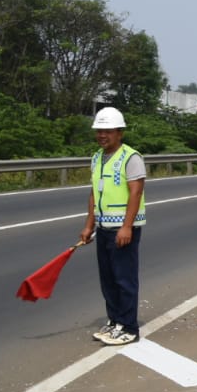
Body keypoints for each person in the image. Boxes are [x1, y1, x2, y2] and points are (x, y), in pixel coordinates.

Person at [80, 107, 146, 345]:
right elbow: (94, 193)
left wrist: (126, 227)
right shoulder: (97, 157)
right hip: (104, 228)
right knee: (107, 278)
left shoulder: (131, 157)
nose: (102, 135)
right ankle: (114, 321)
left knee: (124, 278)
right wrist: (89, 225)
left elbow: (136, 192)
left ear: (120, 132)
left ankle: (129, 327)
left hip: (124, 229)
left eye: (107, 131)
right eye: (99, 131)